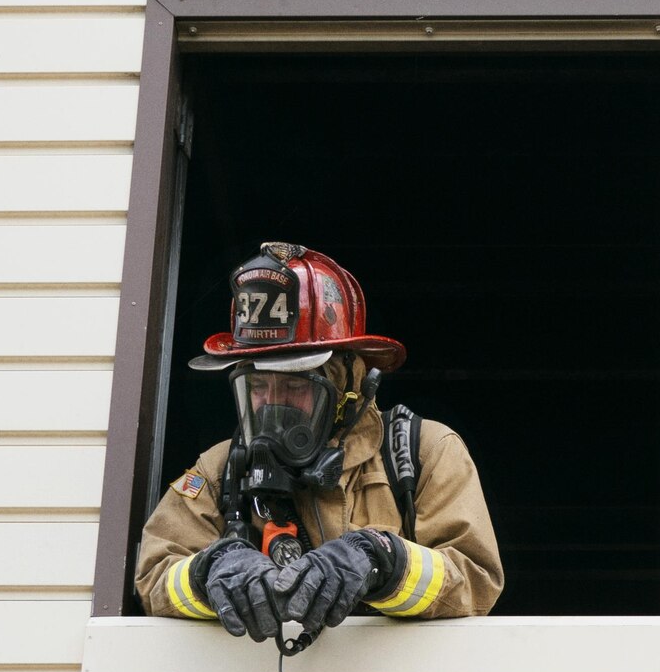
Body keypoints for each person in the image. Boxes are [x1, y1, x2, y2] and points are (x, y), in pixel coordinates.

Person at [134, 242, 502, 642]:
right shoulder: (220, 469)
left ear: (348, 381)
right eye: (258, 384)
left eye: (294, 384)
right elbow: (155, 576)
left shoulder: (424, 452)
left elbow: (476, 579)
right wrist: (209, 571)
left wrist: (383, 561)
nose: (274, 403)